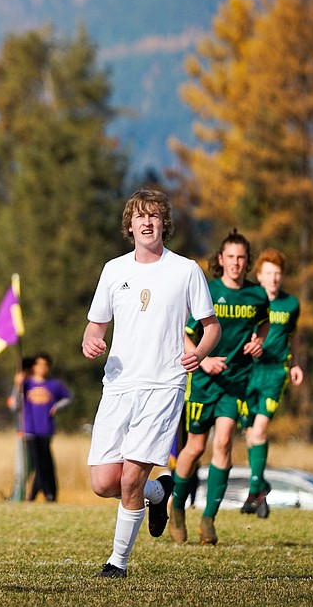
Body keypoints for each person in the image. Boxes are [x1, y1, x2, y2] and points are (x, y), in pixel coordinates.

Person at [82, 189, 219, 579]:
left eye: (155, 217)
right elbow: (96, 324)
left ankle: (117, 563)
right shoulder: (114, 270)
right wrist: (92, 340)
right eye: (140, 216)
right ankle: (159, 493)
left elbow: (211, 327)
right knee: (103, 481)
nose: (147, 222)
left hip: (164, 385)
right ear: (130, 225)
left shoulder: (186, 270)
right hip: (119, 385)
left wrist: (200, 352)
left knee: (130, 477)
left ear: (164, 225)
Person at [168, 229, 269, 546]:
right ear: (221, 260)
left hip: (236, 383)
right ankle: (177, 509)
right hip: (203, 381)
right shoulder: (207, 291)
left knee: (224, 442)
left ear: (247, 262)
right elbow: (182, 334)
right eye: (231, 257)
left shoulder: (257, 296)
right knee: (195, 448)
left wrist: (259, 341)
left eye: (242, 258)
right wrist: (202, 358)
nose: (236, 263)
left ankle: (209, 520)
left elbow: (264, 324)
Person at [239, 247, 301, 519]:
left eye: (278, 274)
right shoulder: (251, 300)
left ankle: (254, 490)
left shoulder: (291, 304)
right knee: (250, 435)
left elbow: (293, 336)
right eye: (269, 274)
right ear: (260, 277)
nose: (274, 279)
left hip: (275, 373)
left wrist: (295, 364)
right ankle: (261, 486)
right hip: (248, 373)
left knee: (261, 430)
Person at [8, 352, 72, 502]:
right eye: (39, 365)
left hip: (46, 429)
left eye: (45, 365)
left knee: (45, 462)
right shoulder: (26, 384)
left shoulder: (54, 385)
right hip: (29, 429)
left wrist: (57, 406)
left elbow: (68, 397)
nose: (42, 368)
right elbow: (14, 405)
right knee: (37, 463)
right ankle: (43, 493)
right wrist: (17, 386)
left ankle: (41, 493)